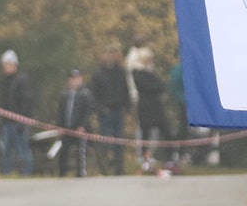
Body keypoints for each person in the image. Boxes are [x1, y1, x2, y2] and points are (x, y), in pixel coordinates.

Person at [91, 44, 130, 175]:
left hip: (118, 109)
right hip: (105, 111)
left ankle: (119, 168)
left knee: (119, 139)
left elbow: (125, 90)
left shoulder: (121, 72)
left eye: (112, 54)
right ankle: (104, 167)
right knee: (105, 140)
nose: (110, 57)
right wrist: (99, 109)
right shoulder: (98, 74)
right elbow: (94, 95)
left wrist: (127, 107)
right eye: (107, 53)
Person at [131, 48, 169, 172]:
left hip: (155, 105)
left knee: (165, 129)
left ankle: (168, 155)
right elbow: (147, 86)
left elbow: (160, 85)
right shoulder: (137, 72)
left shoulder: (151, 72)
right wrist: (155, 86)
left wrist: (156, 86)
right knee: (145, 131)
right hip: (145, 106)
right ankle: (145, 156)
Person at [0, 50, 35, 175]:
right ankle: (6, 172)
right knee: (6, 149)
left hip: (19, 122)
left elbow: (26, 101)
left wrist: (23, 119)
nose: (5, 68)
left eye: (7, 65)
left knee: (23, 149)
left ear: (14, 65)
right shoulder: (6, 82)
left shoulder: (22, 80)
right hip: (7, 122)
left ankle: (27, 172)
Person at [55, 69, 96, 177]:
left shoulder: (85, 94)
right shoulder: (64, 95)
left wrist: (83, 126)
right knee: (64, 150)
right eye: (72, 79)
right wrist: (60, 126)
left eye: (77, 78)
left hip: (80, 128)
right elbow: (60, 112)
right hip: (67, 128)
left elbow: (88, 112)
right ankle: (62, 172)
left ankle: (81, 172)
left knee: (80, 151)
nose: (74, 81)